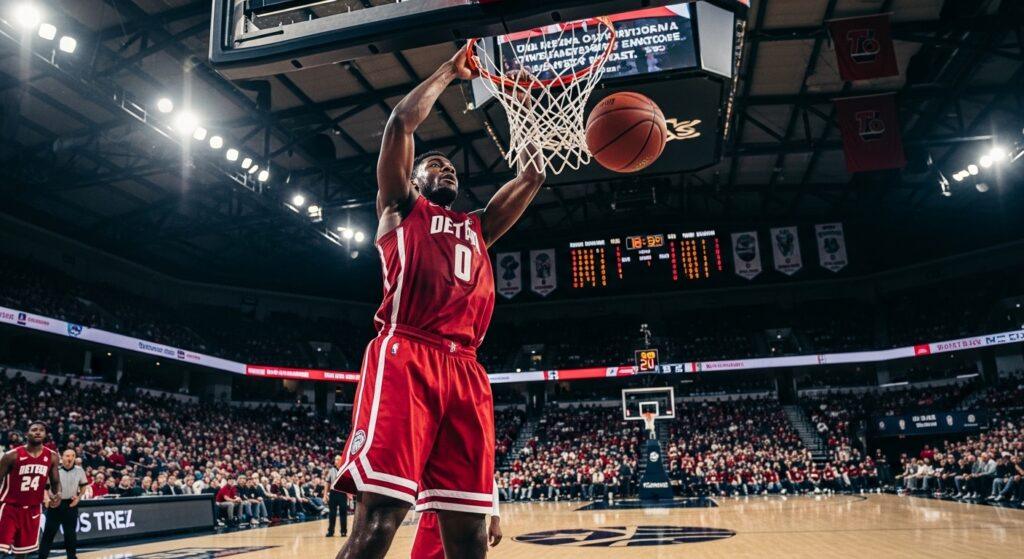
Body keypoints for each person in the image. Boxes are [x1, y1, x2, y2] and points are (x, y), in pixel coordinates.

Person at [332, 46, 545, 559]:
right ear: (414, 179)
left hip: (467, 372)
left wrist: (526, 108)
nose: (445, 169)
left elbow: (533, 175)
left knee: (470, 541)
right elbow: (400, 125)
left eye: (451, 167)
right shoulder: (401, 208)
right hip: (407, 353)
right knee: (379, 522)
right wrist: (453, 71)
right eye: (433, 165)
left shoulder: (479, 227)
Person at [0, 421, 61, 558]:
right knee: (1, 549)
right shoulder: (11, 455)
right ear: (27, 433)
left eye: (41, 430)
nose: (38, 432)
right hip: (9, 507)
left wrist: (57, 494)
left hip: (33, 509)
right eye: (34, 429)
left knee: (22, 553)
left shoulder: (51, 456)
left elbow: (56, 481)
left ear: (45, 435)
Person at [38, 449, 88, 559]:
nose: (69, 458)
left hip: (71, 504)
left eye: (72, 456)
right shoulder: (54, 470)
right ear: (62, 457)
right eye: (67, 456)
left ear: (75, 457)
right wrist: (46, 499)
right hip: (55, 504)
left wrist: (78, 497)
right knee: (48, 534)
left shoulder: (80, 470)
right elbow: (44, 488)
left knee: (70, 534)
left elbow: (83, 486)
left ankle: (71, 557)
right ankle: (41, 557)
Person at [325, 455, 348, 537]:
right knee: (332, 513)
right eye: (335, 459)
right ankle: (330, 531)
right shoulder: (331, 470)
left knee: (343, 513)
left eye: (337, 459)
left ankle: (343, 531)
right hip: (333, 493)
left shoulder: (345, 469)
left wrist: (349, 494)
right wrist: (325, 495)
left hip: (342, 493)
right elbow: (327, 483)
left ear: (341, 461)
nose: (336, 461)